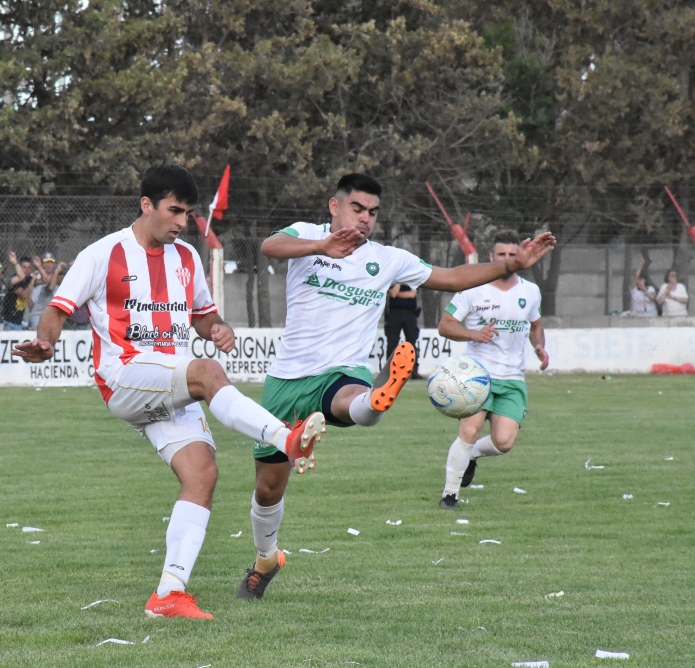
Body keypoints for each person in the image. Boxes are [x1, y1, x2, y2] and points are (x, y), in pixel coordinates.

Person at [12, 163, 326, 620]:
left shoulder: (187, 259)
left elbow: (202, 316)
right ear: (146, 205)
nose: (183, 222)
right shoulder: (104, 254)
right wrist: (45, 343)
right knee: (206, 373)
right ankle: (286, 439)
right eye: (174, 211)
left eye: (187, 214)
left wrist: (217, 328)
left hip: (168, 382)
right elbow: (59, 310)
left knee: (202, 474)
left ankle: (168, 594)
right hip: (125, 375)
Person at [236, 174, 556, 601]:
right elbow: (269, 246)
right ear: (335, 206)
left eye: (372, 213)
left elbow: (453, 276)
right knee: (268, 488)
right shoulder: (306, 235)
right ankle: (266, 560)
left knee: (352, 401)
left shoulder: (387, 259)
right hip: (287, 379)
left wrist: (511, 266)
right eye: (357, 209)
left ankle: (381, 393)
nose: (365, 219)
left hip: (345, 371)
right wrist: (321, 247)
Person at [437, 229, 550, 509]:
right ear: (491, 257)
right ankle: (450, 495)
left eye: (513, 254)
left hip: (512, 378)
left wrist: (539, 348)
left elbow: (536, 326)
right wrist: (473, 334)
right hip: (478, 375)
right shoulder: (473, 288)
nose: (509, 259)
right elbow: (445, 325)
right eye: (502, 254)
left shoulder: (530, 291)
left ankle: (471, 455)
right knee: (470, 430)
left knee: (504, 442)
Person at [384, 282, 422, 378]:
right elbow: (393, 293)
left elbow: (412, 294)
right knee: (392, 343)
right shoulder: (393, 280)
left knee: (412, 343)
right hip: (394, 314)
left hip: (410, 314)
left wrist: (398, 295)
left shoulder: (412, 279)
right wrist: (399, 282)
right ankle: (390, 372)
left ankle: (413, 372)